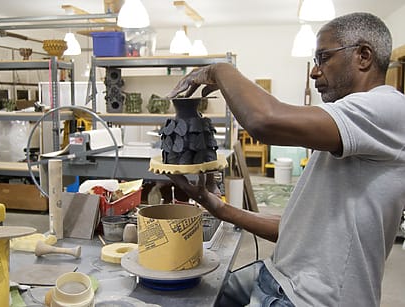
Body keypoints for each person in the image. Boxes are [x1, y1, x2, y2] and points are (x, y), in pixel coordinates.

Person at [166, 12, 405, 307]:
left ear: (363, 56)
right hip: (277, 276)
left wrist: (217, 70)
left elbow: (264, 120)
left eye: (323, 58)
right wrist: (218, 208)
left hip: (309, 300)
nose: (314, 72)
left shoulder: (389, 107)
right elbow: (294, 228)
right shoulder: (353, 128)